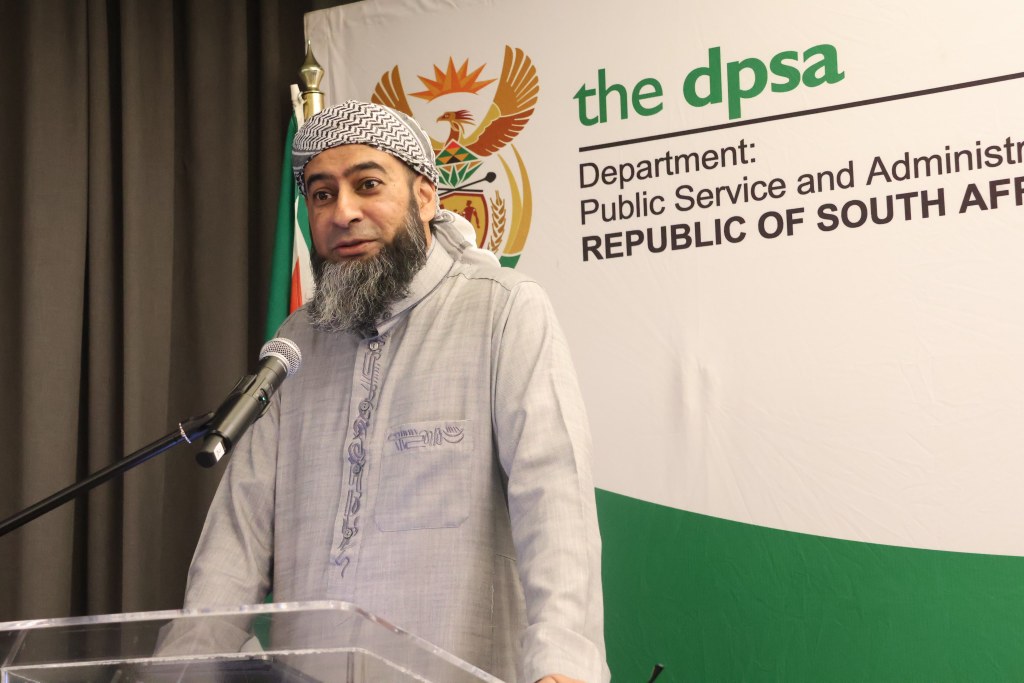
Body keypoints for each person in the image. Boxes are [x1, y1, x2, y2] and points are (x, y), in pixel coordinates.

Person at [182, 100, 609, 683]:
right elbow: (237, 535)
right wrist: (185, 664)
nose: (343, 212)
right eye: (322, 194)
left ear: (425, 197)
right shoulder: (297, 342)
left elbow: (554, 499)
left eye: (368, 185)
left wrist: (563, 666)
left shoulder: (502, 308)